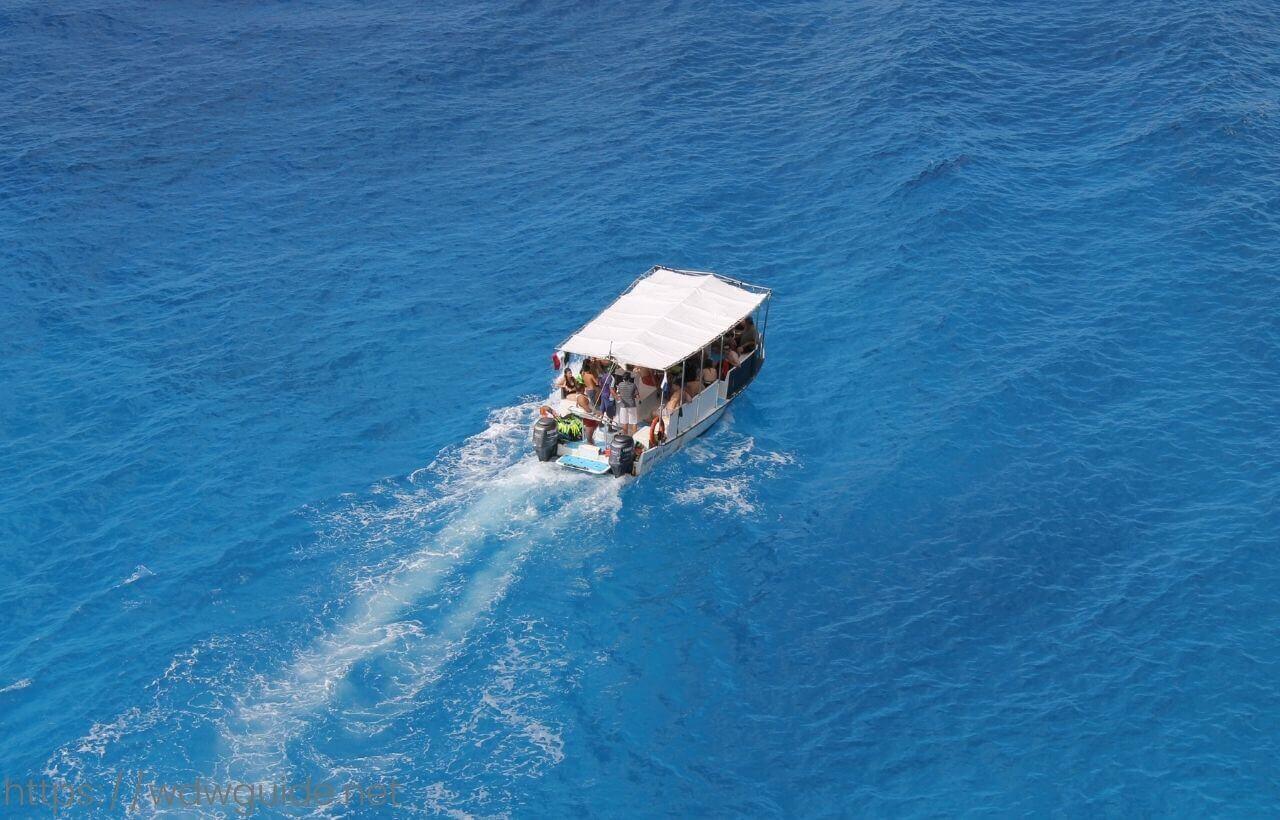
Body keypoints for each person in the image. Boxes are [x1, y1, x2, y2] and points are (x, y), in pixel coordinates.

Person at [614, 369, 639, 435]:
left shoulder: (620, 385)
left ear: (623, 378)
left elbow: (618, 394)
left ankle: (626, 437)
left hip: (623, 406)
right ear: (629, 378)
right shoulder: (633, 385)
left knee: (625, 422)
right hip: (632, 405)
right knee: (634, 422)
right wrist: (632, 396)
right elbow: (637, 396)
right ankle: (634, 439)